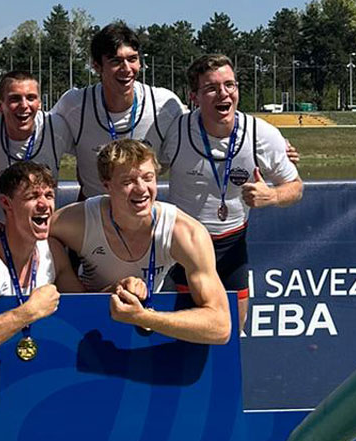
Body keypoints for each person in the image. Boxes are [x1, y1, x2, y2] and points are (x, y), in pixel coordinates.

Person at [161, 54, 303, 326]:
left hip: (231, 247)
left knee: (231, 333)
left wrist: (272, 195)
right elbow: (148, 166)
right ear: (194, 97)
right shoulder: (176, 131)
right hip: (183, 245)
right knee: (179, 333)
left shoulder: (262, 134)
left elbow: (295, 188)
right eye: (211, 88)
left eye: (229, 85)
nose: (223, 94)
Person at [49, 140, 230, 345]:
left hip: (145, 321)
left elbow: (221, 327)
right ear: (107, 186)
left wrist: (142, 317)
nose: (141, 189)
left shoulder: (184, 232)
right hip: (85, 323)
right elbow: (32, 237)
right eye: (128, 182)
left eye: (148, 178)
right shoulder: (78, 220)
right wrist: (71, 287)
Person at [0, 162, 81, 361]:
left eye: (49, 195)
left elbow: (84, 307)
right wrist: (28, 312)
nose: (44, 204)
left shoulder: (53, 251)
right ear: (6, 203)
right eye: (32, 197)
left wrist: (117, 289)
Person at [50, 23, 187, 200]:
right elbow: (40, 137)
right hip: (93, 208)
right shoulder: (75, 105)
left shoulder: (164, 105)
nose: (127, 69)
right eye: (116, 61)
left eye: (132, 59)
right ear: (97, 66)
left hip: (142, 207)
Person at [0, 70, 71, 222]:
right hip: (0, 225)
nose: (24, 105)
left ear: (39, 103)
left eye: (31, 98)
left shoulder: (56, 126)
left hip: (43, 223)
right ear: (0, 105)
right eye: (15, 99)